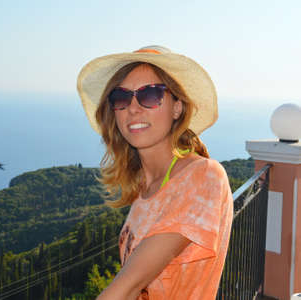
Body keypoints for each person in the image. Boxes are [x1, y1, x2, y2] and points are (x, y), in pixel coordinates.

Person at [76, 45, 234, 300]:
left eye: (150, 95)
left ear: (177, 108)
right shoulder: (144, 188)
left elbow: (125, 290)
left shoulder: (203, 177)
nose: (133, 108)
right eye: (122, 97)